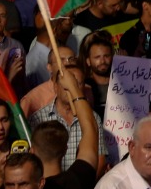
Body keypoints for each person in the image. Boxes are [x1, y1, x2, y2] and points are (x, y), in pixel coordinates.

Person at [29, 58, 98, 189]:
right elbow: (90, 130)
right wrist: (74, 88)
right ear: (66, 149)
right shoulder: (78, 180)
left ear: (32, 151)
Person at [27, 48, 107, 176]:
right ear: (55, 87)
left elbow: (100, 159)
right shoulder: (38, 118)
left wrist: (81, 188)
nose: (71, 89)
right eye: (67, 84)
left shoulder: (92, 118)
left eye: (76, 84)